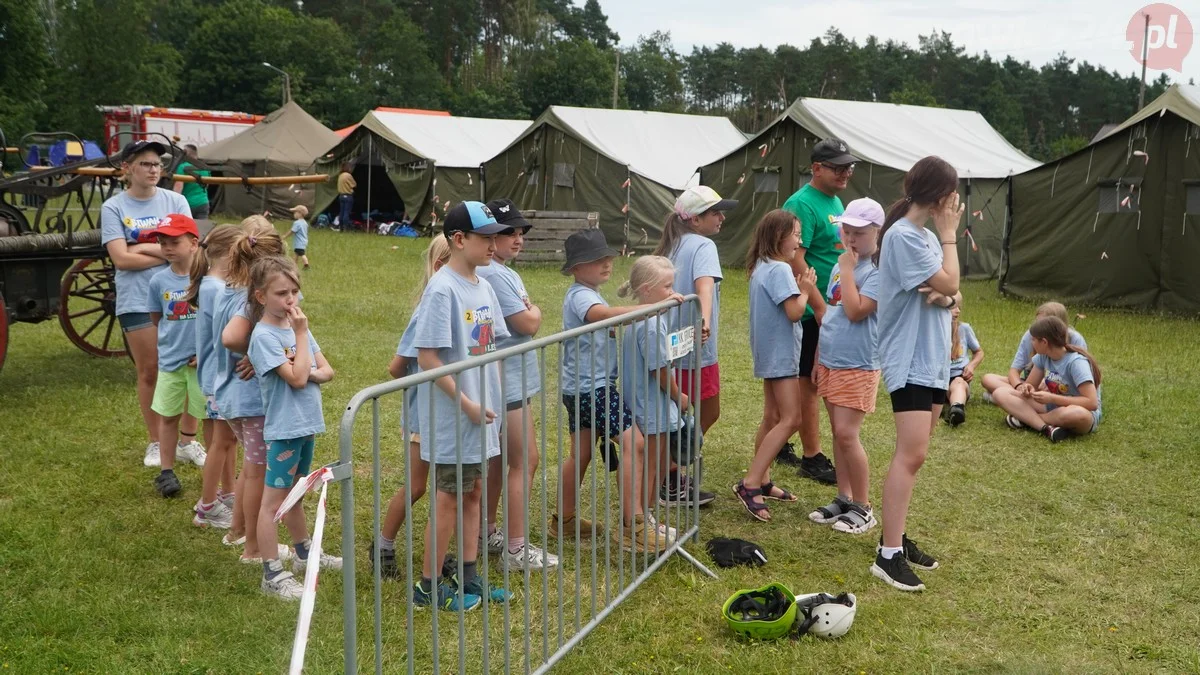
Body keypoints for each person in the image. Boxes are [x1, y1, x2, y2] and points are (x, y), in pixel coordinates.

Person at [409, 201, 513, 609]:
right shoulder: (442, 289)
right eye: (486, 237)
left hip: (481, 414)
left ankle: (469, 578)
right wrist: (468, 404)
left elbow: (491, 346)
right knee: (449, 498)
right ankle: (428, 587)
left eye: (495, 237)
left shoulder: (483, 285)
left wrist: (494, 405)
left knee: (473, 495)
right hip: (456, 417)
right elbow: (428, 358)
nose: (494, 244)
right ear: (459, 239)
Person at [870, 156, 964, 593]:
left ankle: (896, 536)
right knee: (911, 454)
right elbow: (948, 283)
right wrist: (949, 239)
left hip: (931, 359)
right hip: (908, 358)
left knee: (917, 453)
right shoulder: (906, 237)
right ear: (942, 196)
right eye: (955, 195)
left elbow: (951, 290)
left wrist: (945, 294)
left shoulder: (922, 237)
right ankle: (888, 555)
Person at [554, 229, 680, 553]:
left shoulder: (589, 292)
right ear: (575, 268)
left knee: (580, 454)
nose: (606, 263)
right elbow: (605, 317)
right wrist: (652, 308)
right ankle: (633, 525)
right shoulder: (582, 295)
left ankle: (564, 520)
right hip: (591, 386)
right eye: (596, 260)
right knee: (634, 442)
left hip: (578, 386)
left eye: (607, 257)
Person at [101, 141, 204, 468]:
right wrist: (163, 252)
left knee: (191, 366)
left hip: (184, 294)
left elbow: (191, 250)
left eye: (157, 163)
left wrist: (140, 248)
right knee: (150, 370)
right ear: (127, 168)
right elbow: (120, 259)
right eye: (145, 163)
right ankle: (157, 442)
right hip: (136, 298)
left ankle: (188, 441)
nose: (153, 168)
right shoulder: (114, 207)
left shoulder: (176, 200)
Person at [247, 256, 341, 600]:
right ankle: (272, 573)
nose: (291, 300)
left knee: (297, 493)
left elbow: (326, 370)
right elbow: (299, 379)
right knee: (273, 503)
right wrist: (301, 347)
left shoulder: (295, 330)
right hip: (284, 429)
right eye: (281, 293)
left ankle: (304, 553)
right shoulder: (264, 337)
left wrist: (304, 363)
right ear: (261, 297)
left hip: (306, 425)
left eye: (295, 292)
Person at [477, 199, 560, 570]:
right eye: (508, 231)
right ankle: (515, 549)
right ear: (490, 236)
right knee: (525, 460)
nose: (517, 238)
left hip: (511, 380)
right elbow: (527, 323)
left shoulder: (501, 270)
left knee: (502, 462)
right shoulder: (494, 274)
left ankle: (488, 530)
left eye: (520, 231)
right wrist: (534, 311)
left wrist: (531, 311)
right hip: (505, 382)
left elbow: (527, 316)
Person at [778, 138, 859, 485]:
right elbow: (796, 256)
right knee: (809, 382)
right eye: (838, 167)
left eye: (848, 167)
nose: (845, 173)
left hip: (830, 305)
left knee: (808, 379)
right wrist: (820, 306)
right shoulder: (801, 203)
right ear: (817, 168)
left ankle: (780, 441)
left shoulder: (834, 200)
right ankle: (812, 456)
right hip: (812, 309)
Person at [372, 237, 451, 579]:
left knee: (449, 489)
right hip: (423, 414)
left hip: (452, 413)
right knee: (417, 485)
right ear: (439, 267)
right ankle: (383, 544)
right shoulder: (426, 312)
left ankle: (441, 552)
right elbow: (396, 366)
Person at [806, 198, 884, 535]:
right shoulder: (842, 266)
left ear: (877, 233)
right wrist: (817, 355)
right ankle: (844, 497)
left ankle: (864, 507)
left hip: (858, 363)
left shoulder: (879, 272)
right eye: (847, 231)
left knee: (847, 434)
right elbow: (833, 314)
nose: (850, 239)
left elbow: (855, 311)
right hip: (831, 358)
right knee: (837, 434)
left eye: (859, 233)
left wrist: (849, 270)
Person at [216, 218, 290, 562]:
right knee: (259, 472)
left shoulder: (228, 291)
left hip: (230, 397)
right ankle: (254, 548)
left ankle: (238, 530)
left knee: (251, 467)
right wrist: (256, 351)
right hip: (250, 398)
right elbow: (231, 338)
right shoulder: (251, 302)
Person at [652, 185, 732, 508]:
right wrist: (705, 319)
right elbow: (705, 286)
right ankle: (670, 476)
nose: (722, 217)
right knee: (704, 411)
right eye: (716, 212)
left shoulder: (670, 245)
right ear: (696, 220)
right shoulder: (703, 245)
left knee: (674, 413)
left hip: (668, 346)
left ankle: (669, 471)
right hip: (695, 349)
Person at [734, 209, 815, 523]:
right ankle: (751, 483)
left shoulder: (761, 267)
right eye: (795, 234)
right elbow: (795, 312)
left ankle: (762, 479)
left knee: (772, 416)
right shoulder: (780, 270)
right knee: (792, 418)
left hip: (768, 352)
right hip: (781, 355)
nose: (800, 240)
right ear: (778, 237)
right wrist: (806, 288)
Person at [617, 256, 690, 546]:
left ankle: (646, 518)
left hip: (647, 403)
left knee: (656, 462)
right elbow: (658, 369)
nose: (673, 292)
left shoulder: (650, 318)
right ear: (647, 290)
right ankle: (640, 521)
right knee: (652, 465)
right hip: (651, 404)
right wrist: (678, 395)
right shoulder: (649, 323)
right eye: (668, 287)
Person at [146, 214, 208, 497]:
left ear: (194, 243)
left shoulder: (207, 280)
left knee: (207, 415)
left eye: (174, 241)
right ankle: (166, 471)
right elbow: (158, 318)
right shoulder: (158, 281)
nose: (167, 247)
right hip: (171, 362)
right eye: (162, 242)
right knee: (168, 416)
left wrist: (202, 350)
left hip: (202, 364)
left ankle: (213, 466)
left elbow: (214, 320)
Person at [187, 223, 242, 527]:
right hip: (220, 376)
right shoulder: (215, 288)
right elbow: (226, 334)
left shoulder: (212, 285)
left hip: (217, 374)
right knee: (220, 443)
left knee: (227, 440)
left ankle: (228, 492)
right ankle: (207, 506)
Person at [989, 316, 1102, 441]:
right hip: (1050, 407)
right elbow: (1031, 385)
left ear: (1044, 342)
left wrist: (1052, 398)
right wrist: (1027, 388)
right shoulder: (1043, 357)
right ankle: (1045, 427)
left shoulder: (1076, 363)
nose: (1031, 343)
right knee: (1000, 393)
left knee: (1076, 414)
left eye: (1033, 339)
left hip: (1079, 411)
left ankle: (1027, 419)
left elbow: (1092, 403)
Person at [981, 302, 1088, 400]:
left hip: (1062, 388)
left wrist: (1049, 381)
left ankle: (1007, 397)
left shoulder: (1075, 339)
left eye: (1042, 323)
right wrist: (1019, 387)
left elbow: (1082, 376)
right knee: (988, 379)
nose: (1037, 327)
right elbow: (1014, 371)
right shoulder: (1031, 336)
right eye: (1036, 322)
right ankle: (1010, 396)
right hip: (1032, 385)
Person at [945, 304, 984, 426]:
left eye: (959, 307)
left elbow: (979, 352)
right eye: (952, 307)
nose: (957, 311)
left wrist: (971, 366)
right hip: (936, 378)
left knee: (958, 383)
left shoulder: (964, 329)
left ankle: (956, 409)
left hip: (958, 376)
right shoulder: (931, 330)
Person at [172, 144, 211, 220]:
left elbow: (178, 187)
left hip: (187, 204)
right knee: (202, 229)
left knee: (187, 230)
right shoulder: (204, 167)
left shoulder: (183, 167)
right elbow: (206, 185)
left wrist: (173, 205)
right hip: (203, 203)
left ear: (185, 153)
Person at [287, 205, 311, 269]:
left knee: (302, 254)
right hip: (304, 241)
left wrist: (285, 236)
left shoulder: (297, 223)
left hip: (299, 242)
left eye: (295, 212)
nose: (294, 214)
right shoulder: (305, 223)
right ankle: (294, 265)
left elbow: (292, 231)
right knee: (296, 254)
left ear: (300, 213)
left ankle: (306, 264)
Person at [336, 163, 356, 231]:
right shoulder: (348, 175)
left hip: (341, 196)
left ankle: (341, 227)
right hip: (348, 196)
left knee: (341, 212)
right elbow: (354, 185)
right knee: (346, 212)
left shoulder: (340, 175)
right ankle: (345, 228)